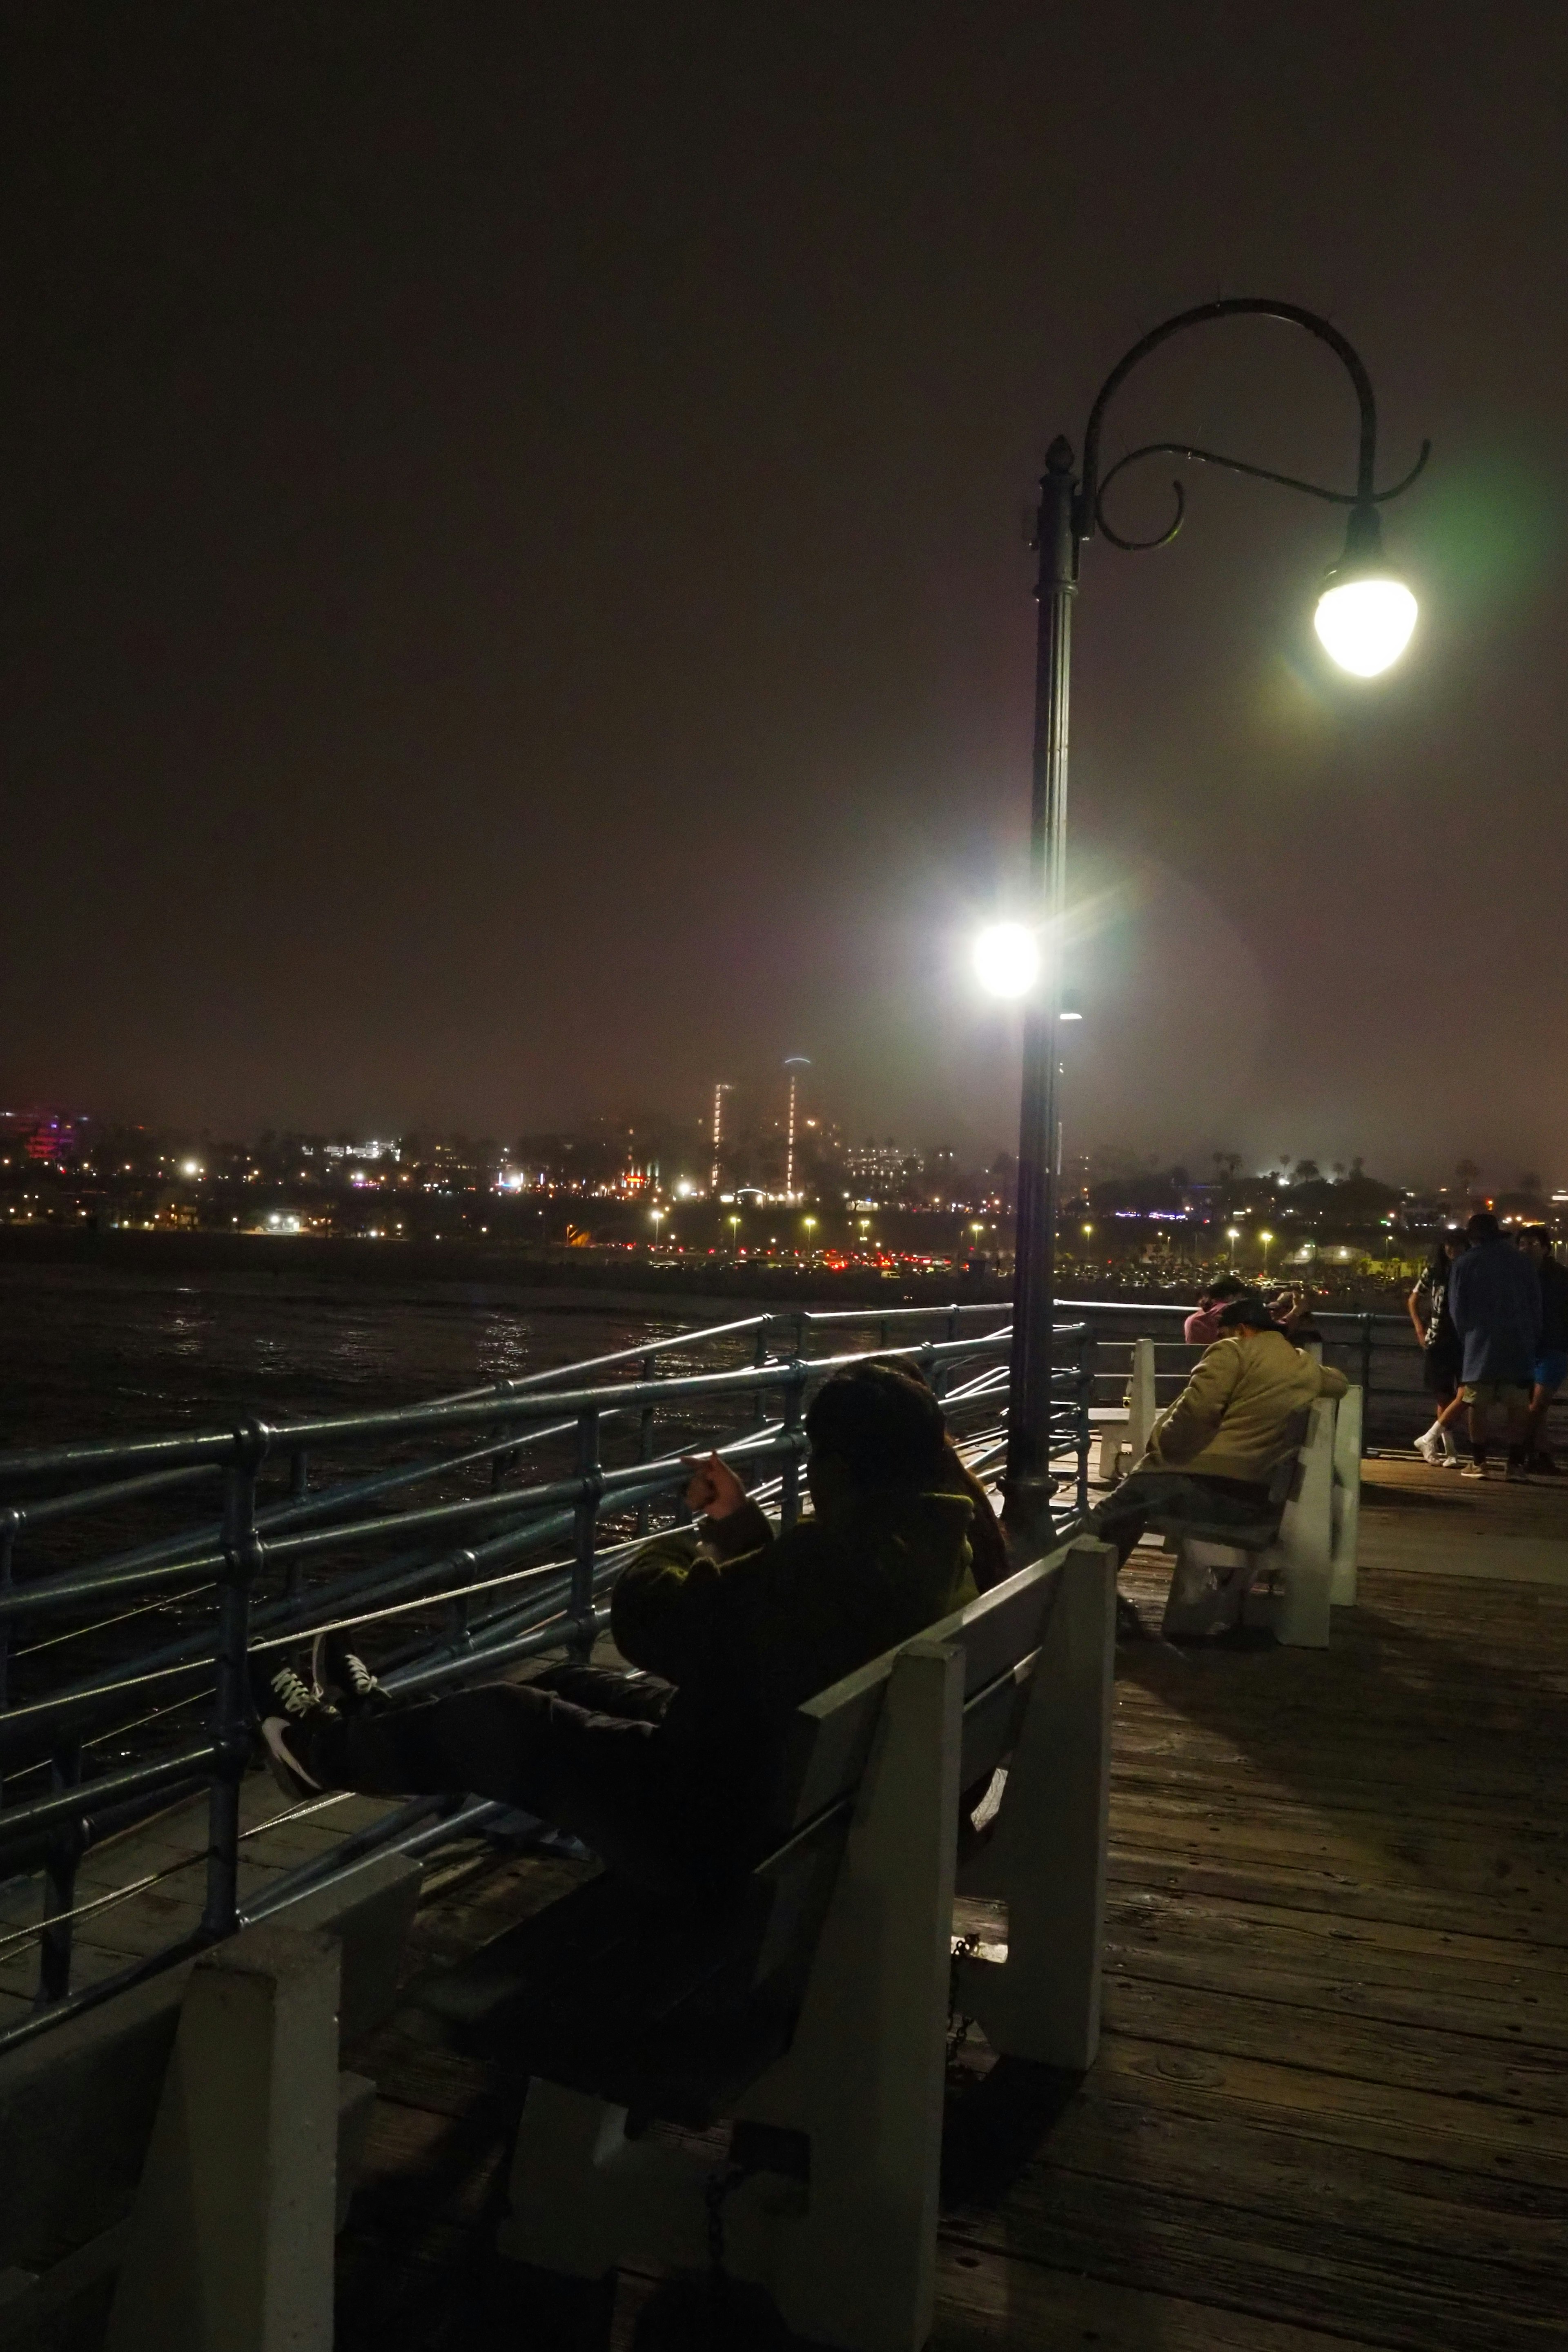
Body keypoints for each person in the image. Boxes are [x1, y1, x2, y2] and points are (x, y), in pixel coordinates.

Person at [251, 1362, 983, 1895]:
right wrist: (736, 1528)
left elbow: (651, 1623)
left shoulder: (841, 1560)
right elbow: (784, 1622)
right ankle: (376, 1723)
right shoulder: (938, 1541)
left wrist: (679, 1542)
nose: (812, 1474)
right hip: (794, 1795)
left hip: (715, 1827)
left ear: (845, 1467)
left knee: (505, 1720)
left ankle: (319, 1752)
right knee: (568, 1681)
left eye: (815, 1457)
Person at [1091, 1291, 1348, 1626]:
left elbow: (1195, 1411)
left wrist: (1162, 1447)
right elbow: (1340, 1383)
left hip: (1210, 1492)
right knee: (1129, 1505)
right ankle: (1100, 1595)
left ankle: (1076, 1594)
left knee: (1110, 1513)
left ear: (1241, 1329)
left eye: (1222, 1333)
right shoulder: (1302, 1366)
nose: (1216, 1340)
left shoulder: (1232, 1351)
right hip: (1255, 1498)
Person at [1446, 1211, 1541, 1481]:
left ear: (1474, 1238)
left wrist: (1468, 1336)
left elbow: (1457, 1310)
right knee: (1517, 1406)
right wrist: (1532, 1336)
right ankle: (1514, 1464)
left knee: (1477, 1404)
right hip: (1519, 1344)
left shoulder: (1464, 1264)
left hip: (1480, 1345)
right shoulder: (1522, 1262)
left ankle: (1479, 1462)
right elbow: (1536, 1305)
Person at [1407, 1229, 1470, 1465]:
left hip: (1463, 1340)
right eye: (1449, 1246)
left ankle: (1429, 1439)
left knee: (1467, 1393)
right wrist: (1420, 1330)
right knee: (1444, 1398)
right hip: (1438, 1340)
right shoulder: (1435, 1271)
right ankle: (1450, 1452)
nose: (1453, 1251)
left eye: (1458, 1246)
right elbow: (1413, 1299)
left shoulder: (1468, 1271)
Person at [1518, 1225, 1568, 1473]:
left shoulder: (1560, 1276)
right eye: (1523, 1244)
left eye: (1533, 1244)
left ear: (1546, 1248)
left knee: (1537, 1405)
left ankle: (1518, 1454)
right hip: (1526, 1347)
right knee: (1538, 1408)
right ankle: (1542, 1456)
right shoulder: (1517, 1275)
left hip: (1554, 1346)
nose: (1526, 1248)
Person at [1184, 1276, 1309, 1348]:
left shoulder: (1193, 1320)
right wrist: (1297, 1311)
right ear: (1232, 1296)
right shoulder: (1235, 1312)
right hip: (1236, 1381)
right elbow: (1276, 1333)